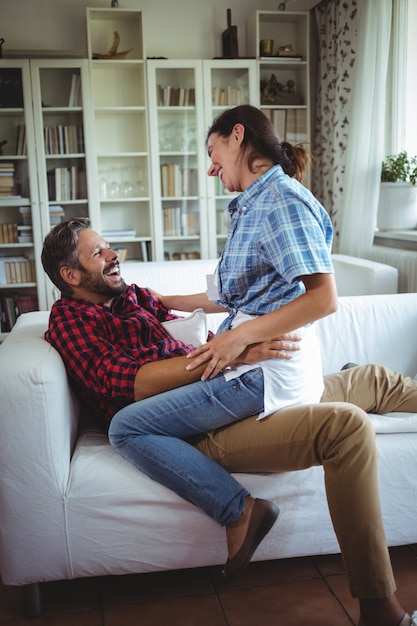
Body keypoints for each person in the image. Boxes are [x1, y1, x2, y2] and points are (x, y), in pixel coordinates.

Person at [41, 218, 416, 626]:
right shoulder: (70, 320)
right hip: (194, 425)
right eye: (99, 253)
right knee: (344, 424)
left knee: (372, 378)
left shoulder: (129, 299)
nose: (114, 255)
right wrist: (230, 356)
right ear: (70, 275)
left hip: (228, 388)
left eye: (109, 245)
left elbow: (183, 308)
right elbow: (126, 383)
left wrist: (226, 334)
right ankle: (374, 605)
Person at [109, 105, 340, 578]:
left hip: (264, 371)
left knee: (126, 428)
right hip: (251, 363)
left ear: (238, 137)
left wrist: (238, 338)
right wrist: (161, 298)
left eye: (213, 152)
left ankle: (239, 511)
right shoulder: (255, 204)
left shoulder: (282, 202)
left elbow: (323, 299)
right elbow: (231, 292)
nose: (210, 167)